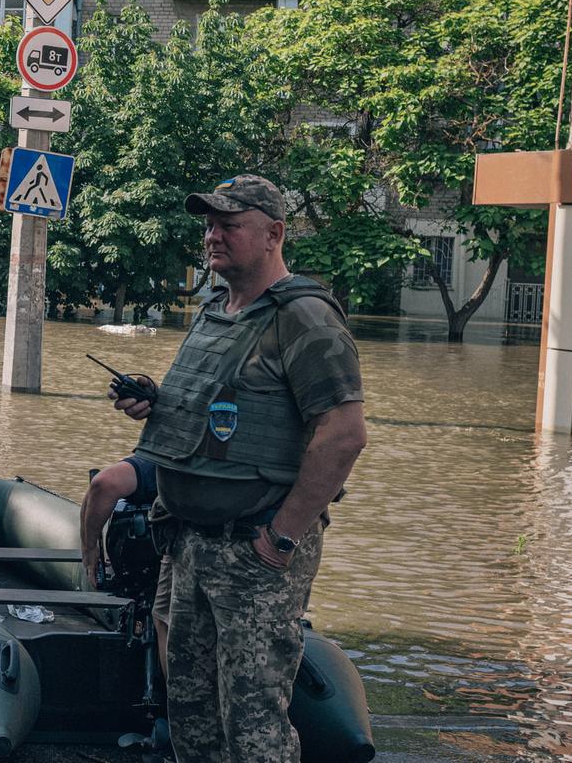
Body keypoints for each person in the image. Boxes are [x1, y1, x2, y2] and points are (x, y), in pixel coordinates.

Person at [111, 175, 367, 762]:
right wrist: (156, 401)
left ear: (274, 234)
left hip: (252, 550)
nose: (212, 236)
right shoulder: (217, 312)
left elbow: (344, 435)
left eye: (229, 224)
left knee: (253, 724)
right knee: (193, 717)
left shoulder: (303, 316)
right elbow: (221, 408)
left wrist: (280, 538)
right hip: (188, 543)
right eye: (208, 224)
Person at [80, 454, 168, 671]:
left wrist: (90, 548)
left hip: (179, 562)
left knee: (165, 619)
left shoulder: (172, 453)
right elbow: (99, 486)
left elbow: (102, 484)